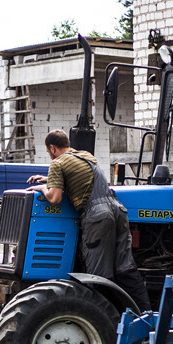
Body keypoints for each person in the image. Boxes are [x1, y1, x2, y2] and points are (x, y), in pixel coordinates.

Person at [27, 129, 151, 312]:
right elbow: (81, 178)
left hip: (97, 216)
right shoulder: (86, 156)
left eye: (48, 152)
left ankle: (104, 319)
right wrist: (50, 179)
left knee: (99, 275)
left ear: (52, 148)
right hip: (118, 211)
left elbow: (55, 198)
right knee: (125, 268)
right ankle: (146, 314)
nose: (50, 155)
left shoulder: (58, 163)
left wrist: (42, 187)